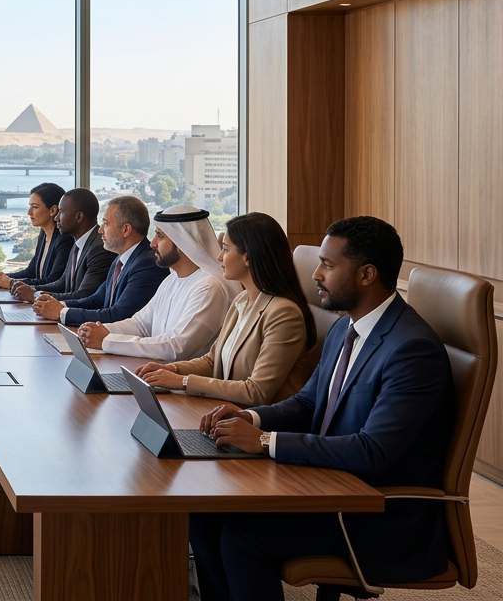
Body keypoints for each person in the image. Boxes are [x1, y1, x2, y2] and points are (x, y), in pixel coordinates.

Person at [190, 217, 455, 601]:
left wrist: (265, 441)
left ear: (367, 274)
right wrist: (250, 416)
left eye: (328, 265)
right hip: (329, 486)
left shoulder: (412, 350)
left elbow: (373, 452)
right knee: (205, 513)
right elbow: (308, 402)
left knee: (243, 538)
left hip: (376, 511)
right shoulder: (347, 328)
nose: (315, 274)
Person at [135, 212, 317, 404]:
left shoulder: (284, 314)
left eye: (226, 249)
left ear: (248, 256)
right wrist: (173, 370)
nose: (219, 257)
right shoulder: (242, 299)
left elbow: (256, 392)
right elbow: (212, 361)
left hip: (256, 424)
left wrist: (183, 381)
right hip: (226, 411)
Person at [72, 205, 234, 361]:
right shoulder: (171, 280)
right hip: (157, 374)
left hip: (184, 385)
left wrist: (107, 340)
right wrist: (99, 330)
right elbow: (141, 324)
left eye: (160, 236)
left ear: (182, 243)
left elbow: (176, 347)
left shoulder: (209, 287)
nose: (152, 243)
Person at [31, 195, 167, 327]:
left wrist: (61, 313)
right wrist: (59, 305)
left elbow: (118, 315)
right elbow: (97, 299)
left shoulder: (147, 265)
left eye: (106, 224)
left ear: (126, 229)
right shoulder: (120, 260)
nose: (100, 230)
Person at [13, 187, 114, 302]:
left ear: (79, 217)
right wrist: (32, 290)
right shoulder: (77, 244)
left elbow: (84, 296)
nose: (56, 218)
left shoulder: (99, 249)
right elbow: (62, 283)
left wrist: (35, 295)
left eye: (61, 212)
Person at [0, 182, 73, 293]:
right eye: (30, 206)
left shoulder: (65, 240)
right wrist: (1, 278)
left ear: (53, 210)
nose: (29, 212)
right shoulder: (43, 235)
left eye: (35, 207)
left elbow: (53, 281)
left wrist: (10, 283)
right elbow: (31, 272)